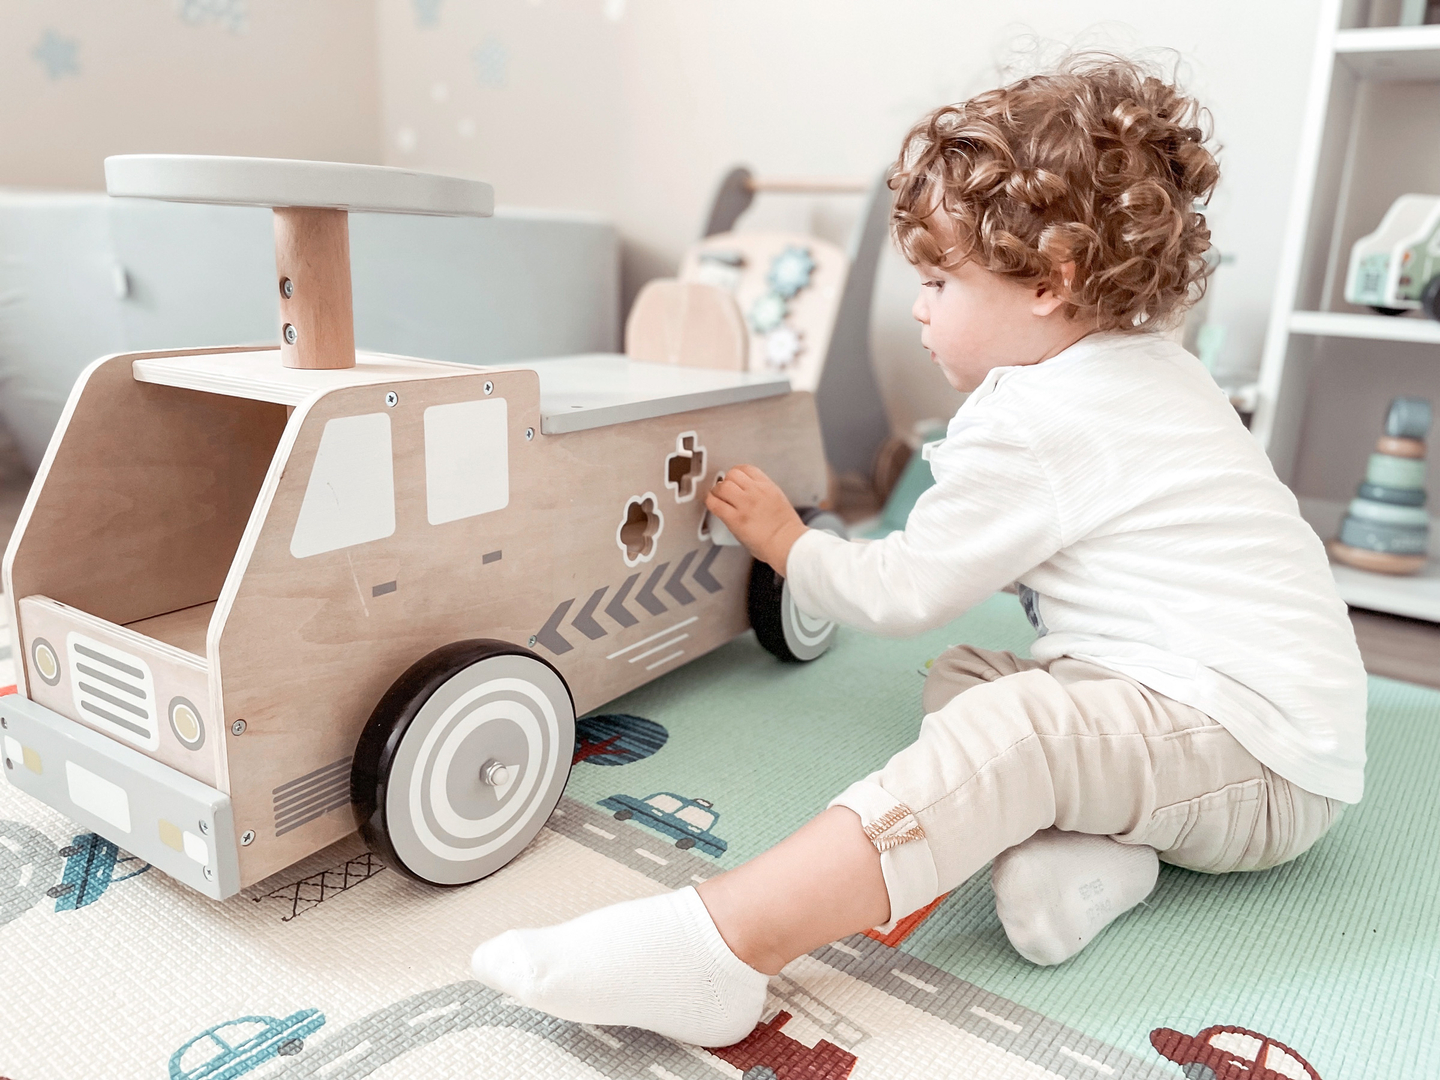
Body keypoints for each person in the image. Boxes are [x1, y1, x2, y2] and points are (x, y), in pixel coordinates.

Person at [469, 53, 1367, 1048]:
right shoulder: (1154, 370)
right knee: (971, 680)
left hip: (1256, 752)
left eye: (939, 280)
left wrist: (788, 543)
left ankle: (723, 946)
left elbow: (901, 591)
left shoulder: (1035, 415)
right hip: (1247, 725)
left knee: (1015, 728)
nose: (918, 306)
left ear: (1051, 282)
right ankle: (1093, 855)